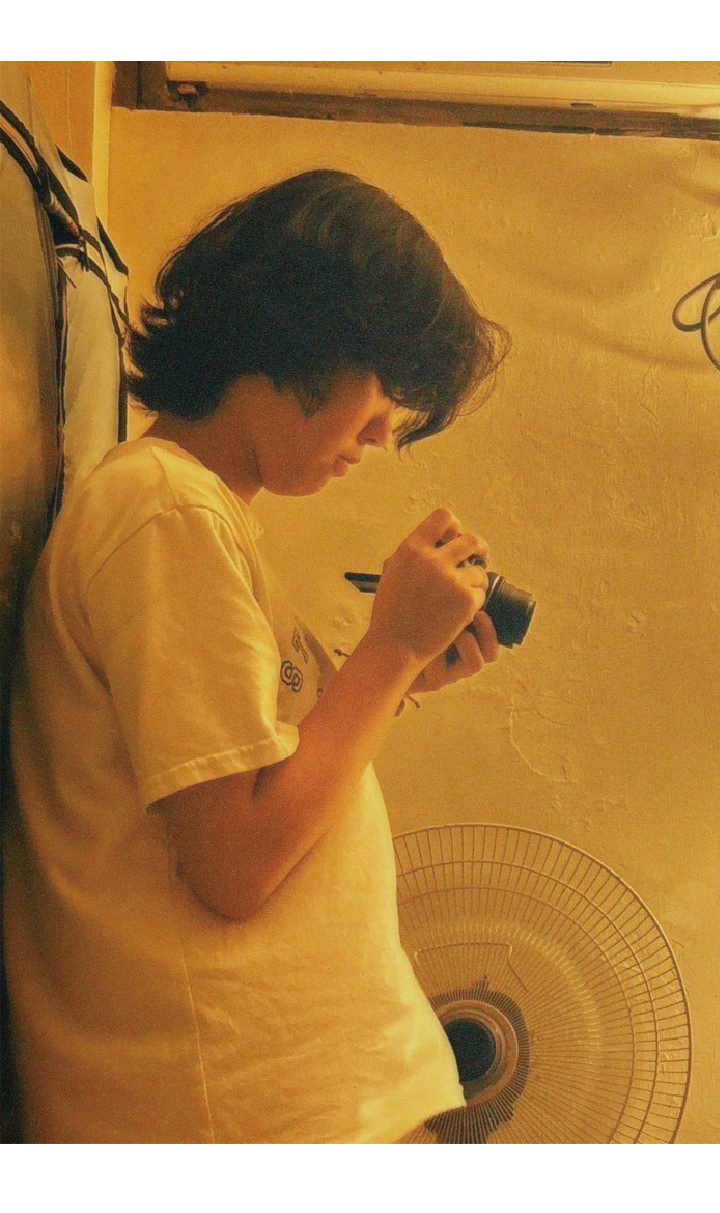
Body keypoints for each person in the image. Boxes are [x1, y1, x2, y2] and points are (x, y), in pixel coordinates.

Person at [2, 169, 509, 1142]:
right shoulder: (165, 511)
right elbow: (236, 861)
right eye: (381, 393)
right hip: (232, 1111)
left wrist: (400, 673)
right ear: (300, 339)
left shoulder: (192, 512)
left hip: (272, 1101)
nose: (382, 435)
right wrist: (390, 650)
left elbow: (260, 774)